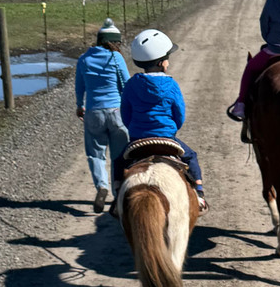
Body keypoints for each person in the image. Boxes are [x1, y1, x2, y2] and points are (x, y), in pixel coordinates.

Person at [117, 29, 207, 212]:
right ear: (161, 62)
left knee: (119, 161)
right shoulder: (171, 84)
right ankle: (198, 192)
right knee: (191, 156)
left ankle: (118, 196)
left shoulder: (131, 84)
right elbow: (179, 115)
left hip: (137, 138)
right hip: (166, 137)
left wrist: (135, 129)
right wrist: (171, 129)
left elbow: (125, 113)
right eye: (167, 57)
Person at [75, 19, 132, 213]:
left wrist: (79, 106)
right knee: (119, 156)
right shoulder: (116, 58)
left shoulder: (84, 59)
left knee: (95, 154)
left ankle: (102, 186)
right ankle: (117, 197)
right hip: (117, 112)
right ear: (116, 41)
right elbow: (126, 83)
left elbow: (79, 86)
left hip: (93, 112)